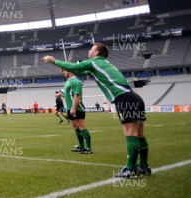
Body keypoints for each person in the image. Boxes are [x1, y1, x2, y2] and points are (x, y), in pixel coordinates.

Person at [42, 42, 150, 178]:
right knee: (140, 134)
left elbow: (74, 67)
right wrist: (64, 67)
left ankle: (130, 168)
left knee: (131, 134)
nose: (89, 51)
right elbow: (80, 70)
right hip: (134, 97)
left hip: (124, 98)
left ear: (97, 52)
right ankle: (144, 166)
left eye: (91, 49)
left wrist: (54, 61)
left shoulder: (94, 62)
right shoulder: (102, 63)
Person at [60, 71, 92, 154]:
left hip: (77, 108)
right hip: (70, 108)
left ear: (70, 71)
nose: (62, 72)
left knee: (82, 126)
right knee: (75, 127)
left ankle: (88, 148)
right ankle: (81, 146)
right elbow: (69, 94)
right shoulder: (69, 81)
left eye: (64, 70)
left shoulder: (75, 81)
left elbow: (77, 95)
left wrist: (73, 108)